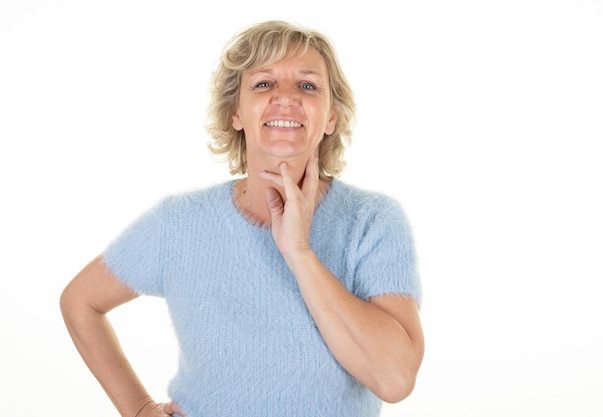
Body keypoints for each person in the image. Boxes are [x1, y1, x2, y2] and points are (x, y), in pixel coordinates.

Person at [60, 20, 424, 417]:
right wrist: (139, 408)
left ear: (332, 117)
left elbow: (395, 380)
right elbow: (81, 301)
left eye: (307, 85)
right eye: (264, 84)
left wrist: (299, 252)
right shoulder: (179, 224)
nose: (285, 98)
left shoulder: (373, 223)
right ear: (236, 112)